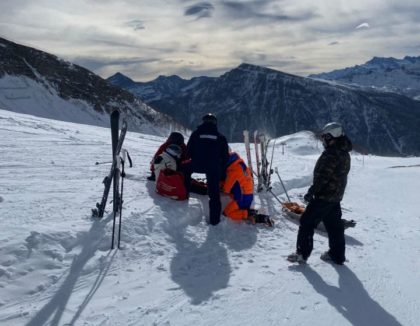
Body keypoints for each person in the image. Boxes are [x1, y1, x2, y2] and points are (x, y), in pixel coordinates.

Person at [287, 122, 352, 265]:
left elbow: (324, 176)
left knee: (306, 221)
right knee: (334, 226)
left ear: (333, 136)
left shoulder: (331, 154)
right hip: (335, 196)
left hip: (324, 196)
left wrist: (312, 192)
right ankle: (337, 255)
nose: (324, 140)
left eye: (326, 137)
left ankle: (302, 254)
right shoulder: (344, 152)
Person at [182, 113, 229, 225]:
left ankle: (184, 195)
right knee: (214, 194)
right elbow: (225, 158)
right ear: (215, 123)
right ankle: (214, 221)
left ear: (203, 122)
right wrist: (222, 175)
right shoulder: (221, 137)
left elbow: (188, 152)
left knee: (184, 170)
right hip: (213, 168)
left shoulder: (195, 134)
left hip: (197, 164)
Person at [221, 151, 273, 226]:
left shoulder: (233, 171)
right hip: (248, 196)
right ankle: (254, 213)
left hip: (242, 199)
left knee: (226, 213)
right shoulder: (241, 165)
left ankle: (249, 214)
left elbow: (226, 189)